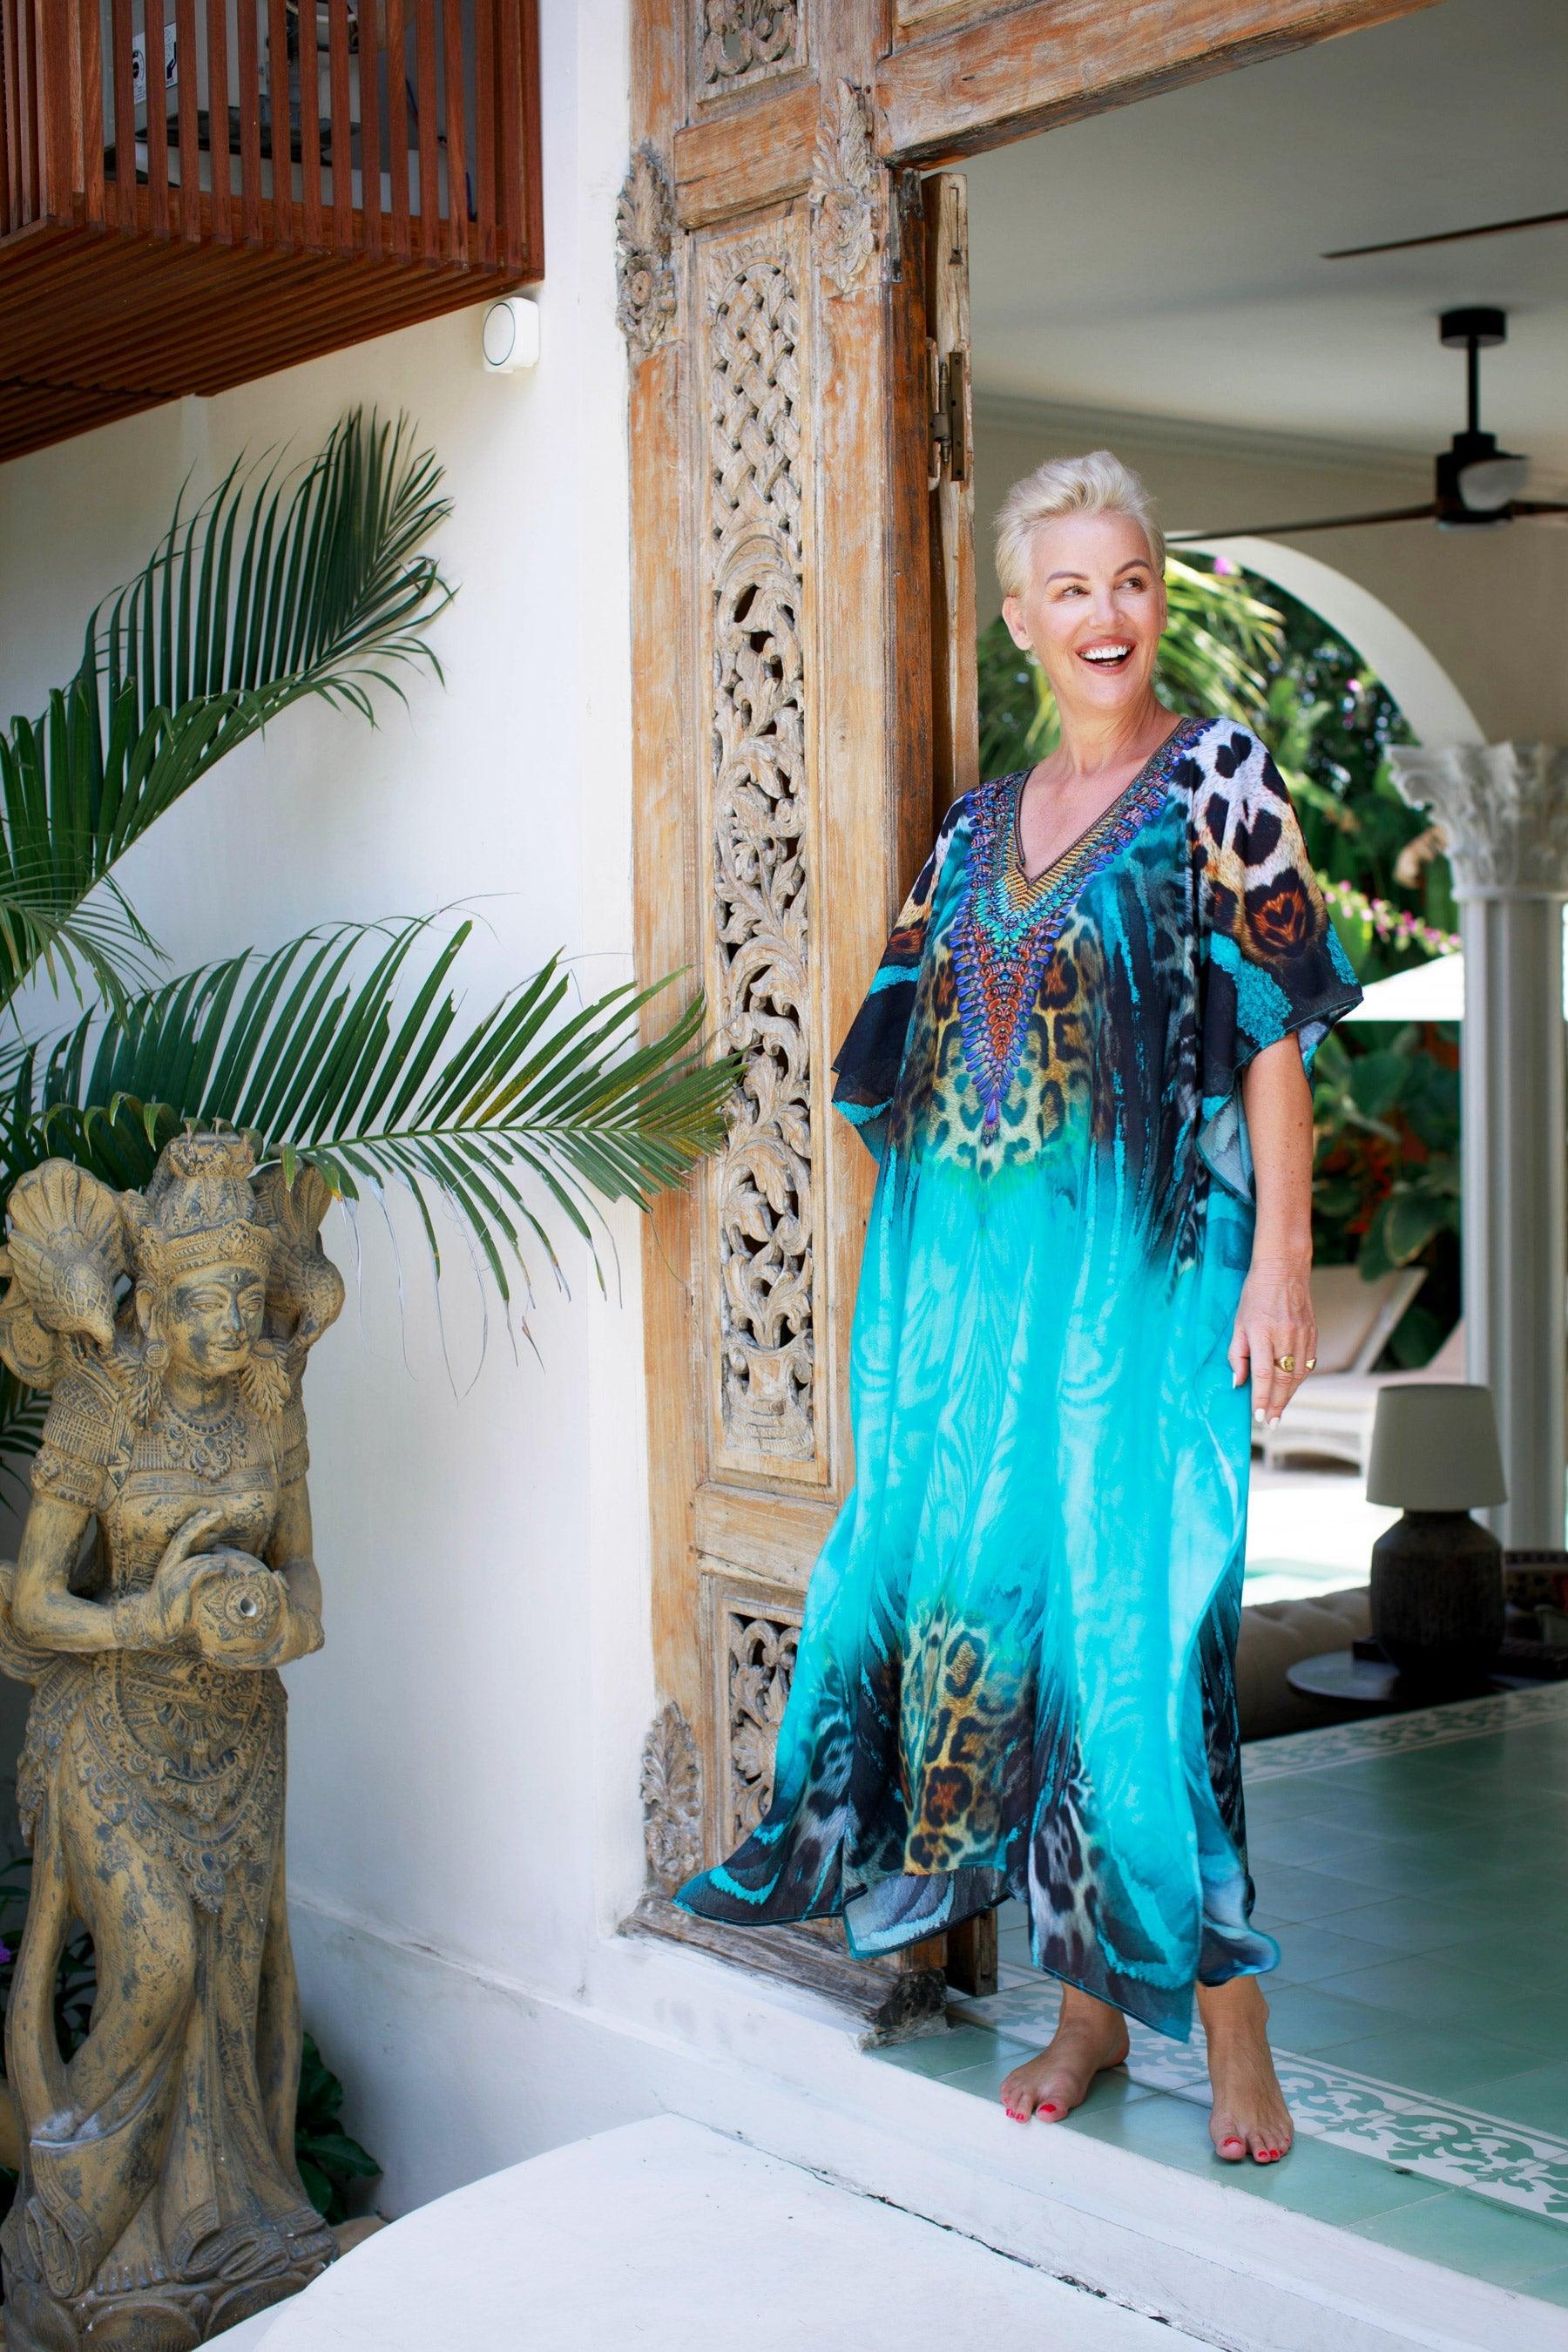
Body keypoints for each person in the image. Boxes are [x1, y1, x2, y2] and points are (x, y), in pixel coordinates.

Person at [673, 451, 1363, 2166]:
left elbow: (1273, 1032)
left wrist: (1281, 1255)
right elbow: (904, 1080)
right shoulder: (977, 830)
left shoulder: (1221, 779)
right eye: (1070, 589)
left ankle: (1235, 2029)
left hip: (1148, 1293)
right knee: (1018, 1635)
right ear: (1020, 621)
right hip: (989, 1325)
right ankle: (1084, 2017)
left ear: (1154, 597)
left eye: (1129, 580)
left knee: (1149, 1652)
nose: (1106, 614)